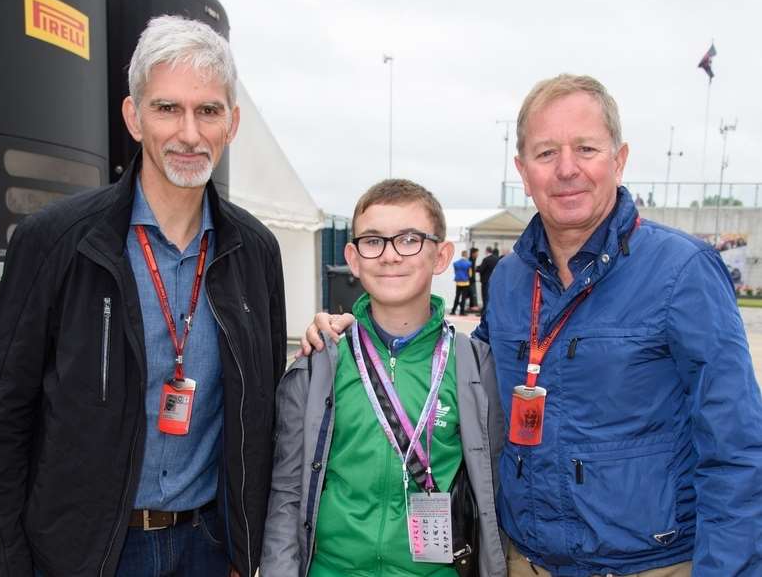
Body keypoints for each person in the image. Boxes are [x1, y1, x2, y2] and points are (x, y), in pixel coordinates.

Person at [301, 74, 762, 576]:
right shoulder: (513, 279)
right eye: (546, 154)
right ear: (523, 171)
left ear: (620, 159)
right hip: (527, 563)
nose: (567, 169)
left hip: (648, 565)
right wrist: (356, 332)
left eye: (585, 148)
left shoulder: (681, 271)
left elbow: (737, 447)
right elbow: (461, 369)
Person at [0, 15, 286, 577]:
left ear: (232, 124)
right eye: (167, 108)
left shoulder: (255, 252)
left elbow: (258, 417)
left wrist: (245, 547)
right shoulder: (57, 241)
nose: (189, 133)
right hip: (88, 553)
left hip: (209, 549)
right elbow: (2, 422)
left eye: (208, 110)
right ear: (133, 117)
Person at [261, 179, 506, 577]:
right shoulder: (319, 363)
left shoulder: (474, 366)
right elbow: (287, 496)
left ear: (441, 255)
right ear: (353, 259)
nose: (390, 256)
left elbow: (494, 491)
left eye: (409, 239)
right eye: (373, 241)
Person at [476, 247, 500, 313]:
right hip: (494, 281)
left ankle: (484, 311)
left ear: (487, 251)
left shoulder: (486, 259)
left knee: (485, 296)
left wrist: (476, 268)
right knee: (492, 296)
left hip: (485, 281)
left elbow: (481, 269)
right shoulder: (497, 259)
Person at [452, 250, 472, 315]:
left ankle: (453, 311)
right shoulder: (469, 263)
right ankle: (462, 312)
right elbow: (470, 274)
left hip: (458, 282)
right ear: (466, 255)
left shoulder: (456, 263)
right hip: (465, 282)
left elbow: (455, 272)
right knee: (463, 298)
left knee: (457, 296)